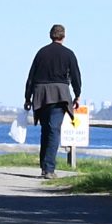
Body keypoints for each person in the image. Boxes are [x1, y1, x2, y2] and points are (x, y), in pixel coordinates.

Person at [23, 24, 82, 179]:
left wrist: (27, 97)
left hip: (41, 94)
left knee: (45, 130)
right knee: (54, 129)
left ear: (50, 35)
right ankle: (49, 169)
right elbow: (76, 76)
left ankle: (44, 166)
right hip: (59, 94)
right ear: (63, 36)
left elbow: (31, 77)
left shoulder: (41, 53)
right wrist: (77, 95)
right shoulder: (69, 54)